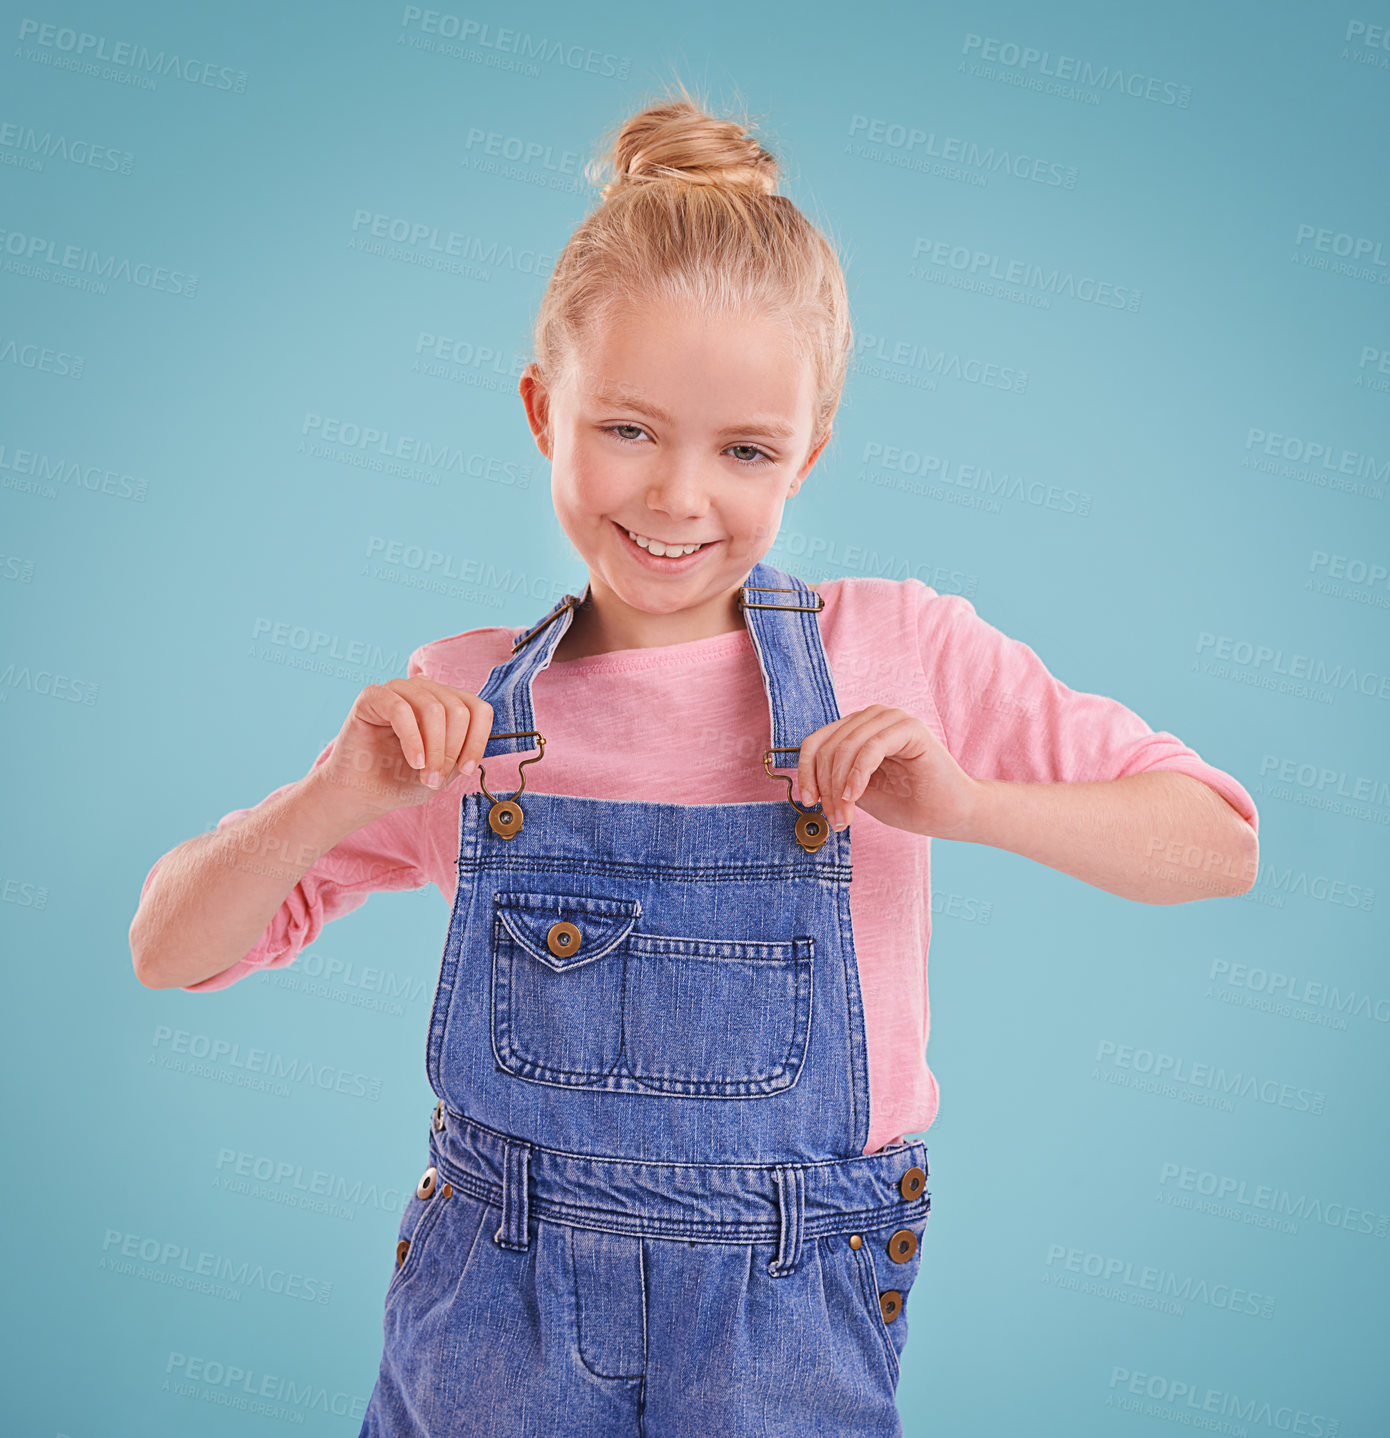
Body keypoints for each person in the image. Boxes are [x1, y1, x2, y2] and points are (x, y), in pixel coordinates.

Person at [130, 83, 1260, 1438]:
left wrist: (968, 804)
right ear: (543, 409)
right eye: (627, 428)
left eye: (743, 450)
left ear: (809, 452)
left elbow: (1217, 839)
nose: (676, 496)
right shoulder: (458, 707)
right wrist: (335, 798)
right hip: (497, 1303)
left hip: (789, 1295)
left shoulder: (898, 648)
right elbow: (168, 948)